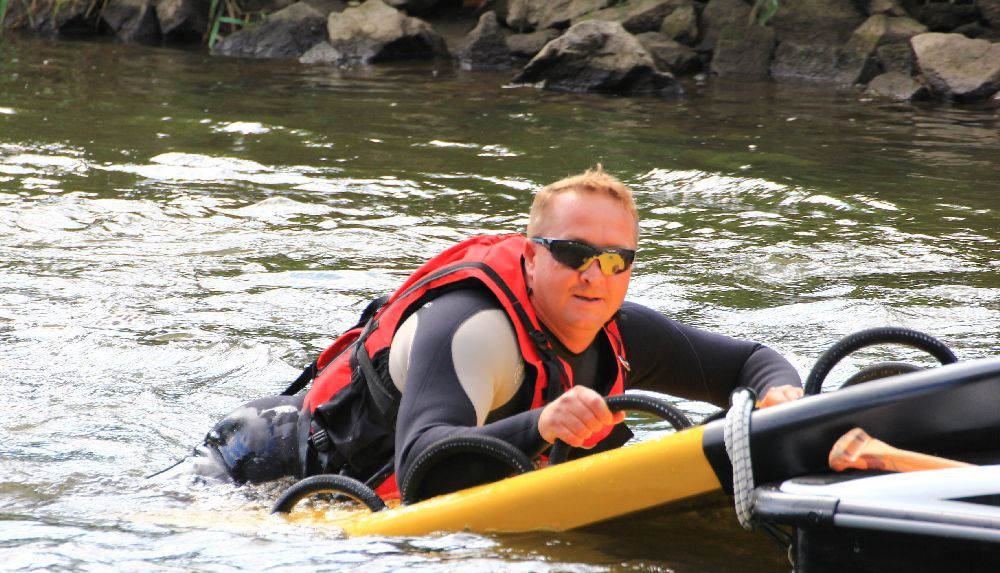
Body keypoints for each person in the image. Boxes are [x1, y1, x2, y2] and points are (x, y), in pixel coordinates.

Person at [178, 167, 802, 501]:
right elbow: (421, 462)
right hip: (261, 467)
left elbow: (752, 362)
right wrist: (543, 424)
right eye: (573, 253)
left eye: (616, 259)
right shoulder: (474, 329)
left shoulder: (622, 332)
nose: (595, 276)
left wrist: (780, 398)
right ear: (530, 257)